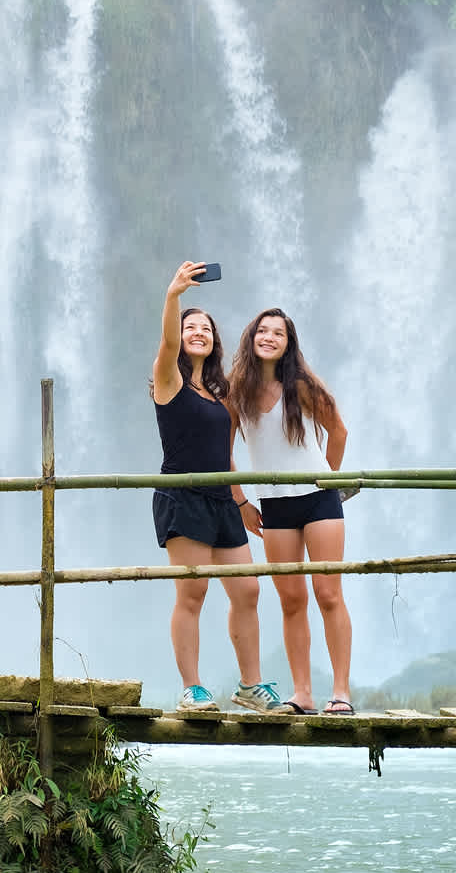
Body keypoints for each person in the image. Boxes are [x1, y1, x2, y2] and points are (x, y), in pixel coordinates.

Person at [150, 261, 281, 712]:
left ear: (215, 340)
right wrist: (174, 296)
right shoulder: (168, 381)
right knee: (193, 592)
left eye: (205, 327)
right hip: (182, 497)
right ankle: (193, 687)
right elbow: (168, 342)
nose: (198, 332)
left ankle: (250, 686)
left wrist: (241, 501)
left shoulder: (220, 393)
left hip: (222, 500)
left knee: (247, 590)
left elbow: (225, 455)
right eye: (191, 327)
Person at [231, 306, 354, 715]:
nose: (268, 337)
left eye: (277, 333)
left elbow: (338, 431)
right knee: (290, 599)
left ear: (288, 343)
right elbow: (221, 452)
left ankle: (340, 693)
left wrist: (330, 481)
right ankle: (302, 694)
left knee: (328, 593)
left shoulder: (300, 386)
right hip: (274, 504)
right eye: (262, 331)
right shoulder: (236, 392)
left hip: (319, 500)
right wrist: (242, 501)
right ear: (251, 339)